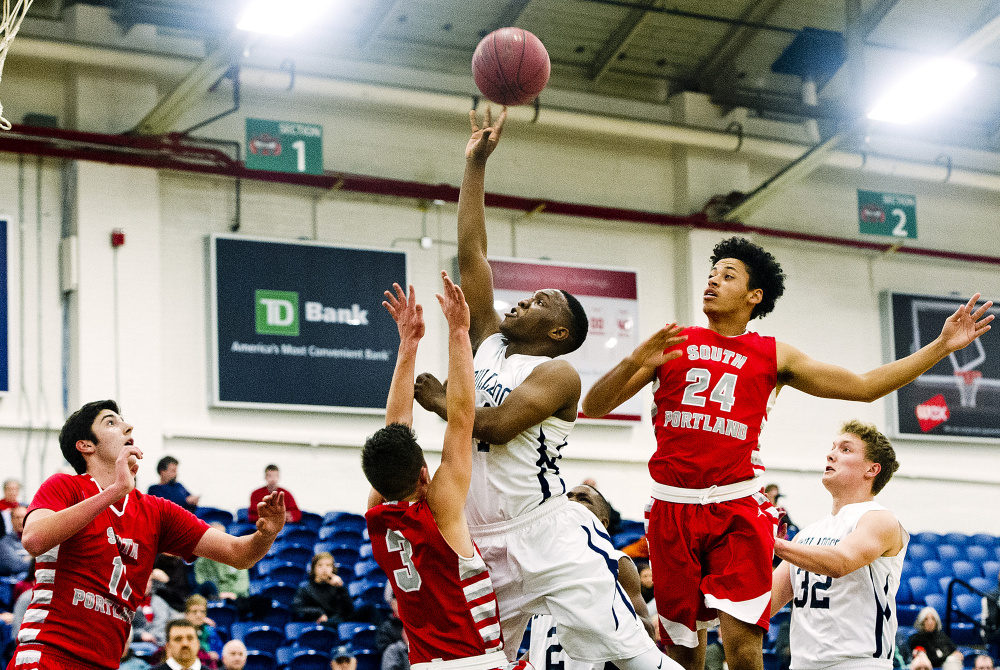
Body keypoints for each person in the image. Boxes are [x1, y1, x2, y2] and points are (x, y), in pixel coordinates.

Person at [582, 236, 993, 670]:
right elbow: (595, 405)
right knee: (684, 653)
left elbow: (865, 386)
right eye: (710, 275)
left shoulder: (774, 354)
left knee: (742, 646)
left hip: (735, 506)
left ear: (753, 295)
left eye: (727, 275)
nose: (712, 282)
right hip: (672, 507)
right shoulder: (673, 342)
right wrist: (634, 361)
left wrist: (942, 347)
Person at [413, 109, 674, 670]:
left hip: (546, 533)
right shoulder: (488, 342)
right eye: (532, 292)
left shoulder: (560, 376)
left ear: (558, 334)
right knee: (472, 663)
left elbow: (501, 426)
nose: (528, 296)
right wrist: (475, 165)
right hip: (480, 538)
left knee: (633, 659)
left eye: (544, 300)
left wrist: (439, 399)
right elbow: (473, 253)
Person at [8, 399, 286, 670]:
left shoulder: (157, 512)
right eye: (111, 422)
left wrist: (267, 534)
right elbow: (33, 539)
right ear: (86, 445)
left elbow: (240, 554)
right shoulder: (65, 486)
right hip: (48, 656)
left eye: (124, 421)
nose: (128, 427)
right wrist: (115, 491)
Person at [364, 276, 515, 670]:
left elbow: (394, 429)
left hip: (424, 663)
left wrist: (408, 344)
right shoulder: (441, 509)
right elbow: (463, 417)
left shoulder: (376, 515)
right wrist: (459, 332)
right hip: (476, 662)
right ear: (425, 476)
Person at [771, 420, 908, 670]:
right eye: (833, 447)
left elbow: (840, 562)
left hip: (859, 664)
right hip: (802, 665)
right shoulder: (806, 535)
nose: (830, 454)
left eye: (845, 449)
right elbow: (766, 602)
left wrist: (772, 543)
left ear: (872, 469)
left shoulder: (880, 519)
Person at [528, 484, 657, 670]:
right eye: (568, 497)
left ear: (602, 523)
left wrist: (603, 608)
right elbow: (541, 643)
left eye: (583, 499)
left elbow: (647, 632)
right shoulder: (539, 566)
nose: (572, 501)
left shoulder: (616, 563)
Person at [292, 552, 354, 625]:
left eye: (328, 565)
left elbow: (349, 611)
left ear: (332, 568)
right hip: (316, 623)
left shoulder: (337, 586)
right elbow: (297, 608)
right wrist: (318, 612)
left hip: (337, 622)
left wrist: (341, 588)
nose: (324, 569)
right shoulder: (305, 587)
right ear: (314, 568)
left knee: (368, 608)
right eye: (320, 565)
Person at [194, 522, 250, 600]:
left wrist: (232, 593)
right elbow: (201, 582)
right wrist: (217, 594)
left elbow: (243, 583)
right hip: (212, 598)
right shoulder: (201, 561)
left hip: (237, 597)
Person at [185, 594, 224, 664]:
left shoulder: (211, 631)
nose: (199, 615)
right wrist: (207, 656)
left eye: (202, 611)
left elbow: (221, 651)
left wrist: (217, 655)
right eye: (194, 612)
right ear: (186, 614)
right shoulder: (182, 633)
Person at [0, 506, 30, 576]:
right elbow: (15, 566)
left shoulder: (38, 539)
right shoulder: (4, 542)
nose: (20, 521)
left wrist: (27, 559)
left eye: (23, 517)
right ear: (11, 520)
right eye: (17, 517)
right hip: (13, 582)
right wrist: (33, 558)